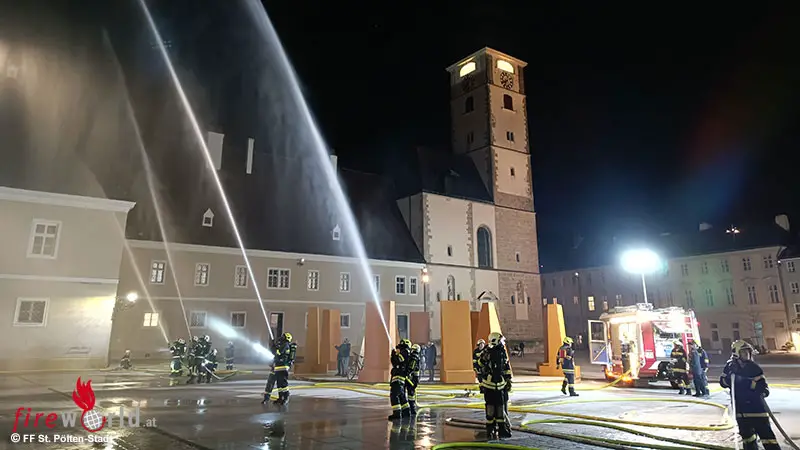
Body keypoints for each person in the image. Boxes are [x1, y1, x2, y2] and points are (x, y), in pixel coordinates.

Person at [720, 340, 780, 450]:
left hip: (757, 410)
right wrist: (730, 376)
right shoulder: (729, 367)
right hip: (741, 411)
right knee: (748, 439)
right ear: (736, 353)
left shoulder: (754, 367)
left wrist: (747, 383)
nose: (747, 355)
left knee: (768, 438)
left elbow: (764, 387)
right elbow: (723, 382)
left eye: (748, 352)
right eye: (744, 352)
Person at [478, 332, 512, 440]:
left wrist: (508, 380)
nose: (502, 342)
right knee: (490, 408)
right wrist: (484, 357)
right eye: (500, 340)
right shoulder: (487, 351)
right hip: (489, 385)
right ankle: (490, 429)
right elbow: (480, 364)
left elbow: (506, 366)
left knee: (500, 407)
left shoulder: (502, 351)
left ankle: (502, 429)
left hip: (500, 385)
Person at [271, 332, 297, 406]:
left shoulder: (285, 345)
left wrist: (274, 347)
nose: (281, 338)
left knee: (283, 383)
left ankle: (286, 397)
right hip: (279, 366)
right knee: (279, 384)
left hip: (283, 366)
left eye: (283, 337)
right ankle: (280, 397)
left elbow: (277, 353)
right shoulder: (283, 345)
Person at [388, 339, 411, 420]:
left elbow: (399, 360)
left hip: (398, 378)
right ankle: (406, 412)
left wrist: (395, 355)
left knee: (394, 395)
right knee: (401, 396)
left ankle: (397, 414)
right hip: (399, 377)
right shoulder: (405, 352)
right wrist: (393, 355)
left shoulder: (405, 352)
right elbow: (395, 363)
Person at [406, 343, 421, 414]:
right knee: (411, 393)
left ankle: (412, 409)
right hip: (414, 378)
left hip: (412, 379)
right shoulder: (415, 356)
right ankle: (412, 408)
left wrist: (407, 373)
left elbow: (411, 367)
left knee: (411, 393)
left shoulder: (414, 357)